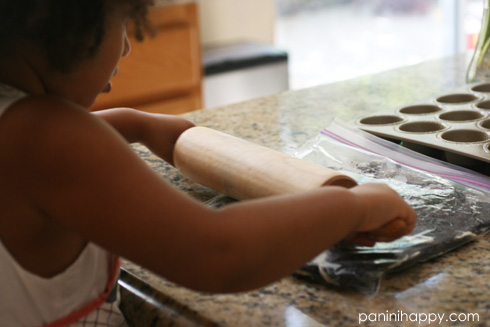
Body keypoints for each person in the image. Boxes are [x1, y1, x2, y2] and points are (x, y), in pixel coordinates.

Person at [0, 0, 417, 326]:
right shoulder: (50, 136)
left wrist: (136, 124)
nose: (126, 45)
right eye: (122, 18)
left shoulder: (24, 127)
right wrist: (354, 206)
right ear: (62, 22)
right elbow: (218, 252)